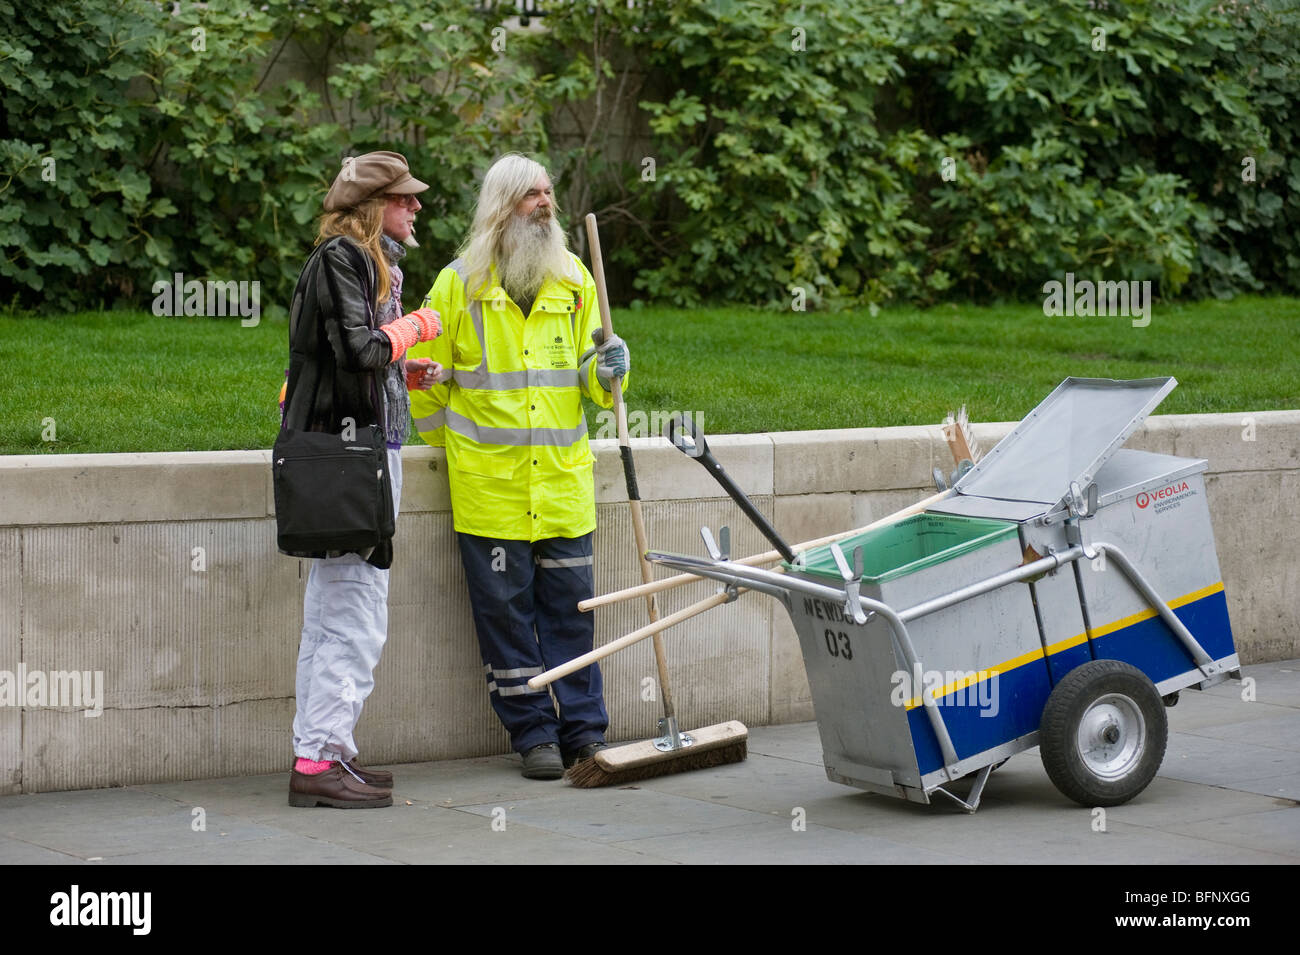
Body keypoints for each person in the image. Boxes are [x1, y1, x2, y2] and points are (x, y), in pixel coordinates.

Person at [408, 153, 630, 780]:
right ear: (503, 205)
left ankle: (586, 734)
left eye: (549, 191)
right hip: (491, 493)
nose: (546, 203)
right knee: (506, 623)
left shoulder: (576, 280)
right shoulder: (458, 286)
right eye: (532, 194)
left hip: (562, 488)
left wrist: (607, 369)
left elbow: (589, 379)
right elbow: (423, 380)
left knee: (573, 616)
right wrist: (453, 450)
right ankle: (533, 734)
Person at [282, 150, 443, 808]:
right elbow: (356, 346)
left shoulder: (354, 261)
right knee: (355, 611)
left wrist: (399, 372)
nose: (416, 207)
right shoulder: (344, 258)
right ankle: (319, 760)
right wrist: (415, 327)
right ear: (374, 206)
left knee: (335, 608)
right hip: (353, 455)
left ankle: (326, 750)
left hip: (355, 446)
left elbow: (345, 356)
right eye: (404, 199)